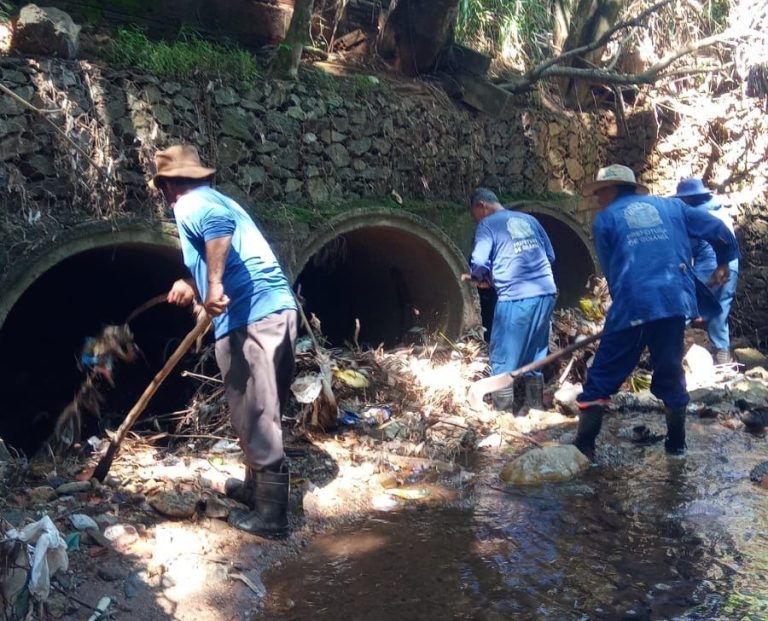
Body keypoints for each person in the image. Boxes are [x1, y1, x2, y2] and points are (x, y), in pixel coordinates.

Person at [150, 145, 298, 538]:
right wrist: (195, 286)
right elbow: (230, 252)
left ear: (168, 185)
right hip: (277, 310)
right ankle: (255, 491)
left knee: (253, 410)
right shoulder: (218, 199)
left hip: (251, 318)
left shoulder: (190, 204)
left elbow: (217, 227)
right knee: (264, 407)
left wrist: (212, 286)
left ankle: (272, 518)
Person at [574, 164, 739, 458]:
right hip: (674, 302)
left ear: (610, 189)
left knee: (602, 377)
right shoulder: (671, 207)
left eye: (599, 193)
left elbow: (613, 276)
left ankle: (583, 449)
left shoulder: (605, 221)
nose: (597, 199)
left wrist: (622, 312)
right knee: (670, 372)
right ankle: (677, 447)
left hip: (634, 305)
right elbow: (718, 230)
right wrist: (725, 262)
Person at [464, 188, 557, 412]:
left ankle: (502, 415)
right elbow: (550, 256)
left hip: (516, 297)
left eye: (475, 215)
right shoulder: (529, 220)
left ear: (482, 207)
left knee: (503, 358)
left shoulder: (487, 224)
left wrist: (479, 278)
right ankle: (535, 411)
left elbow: (478, 261)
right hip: (546, 293)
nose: (477, 220)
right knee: (535, 355)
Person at [672, 177, 739, 364]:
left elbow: (688, 250)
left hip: (710, 267)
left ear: (688, 198)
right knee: (720, 312)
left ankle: (673, 357)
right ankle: (723, 358)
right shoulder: (721, 210)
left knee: (683, 309)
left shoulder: (694, 214)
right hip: (731, 267)